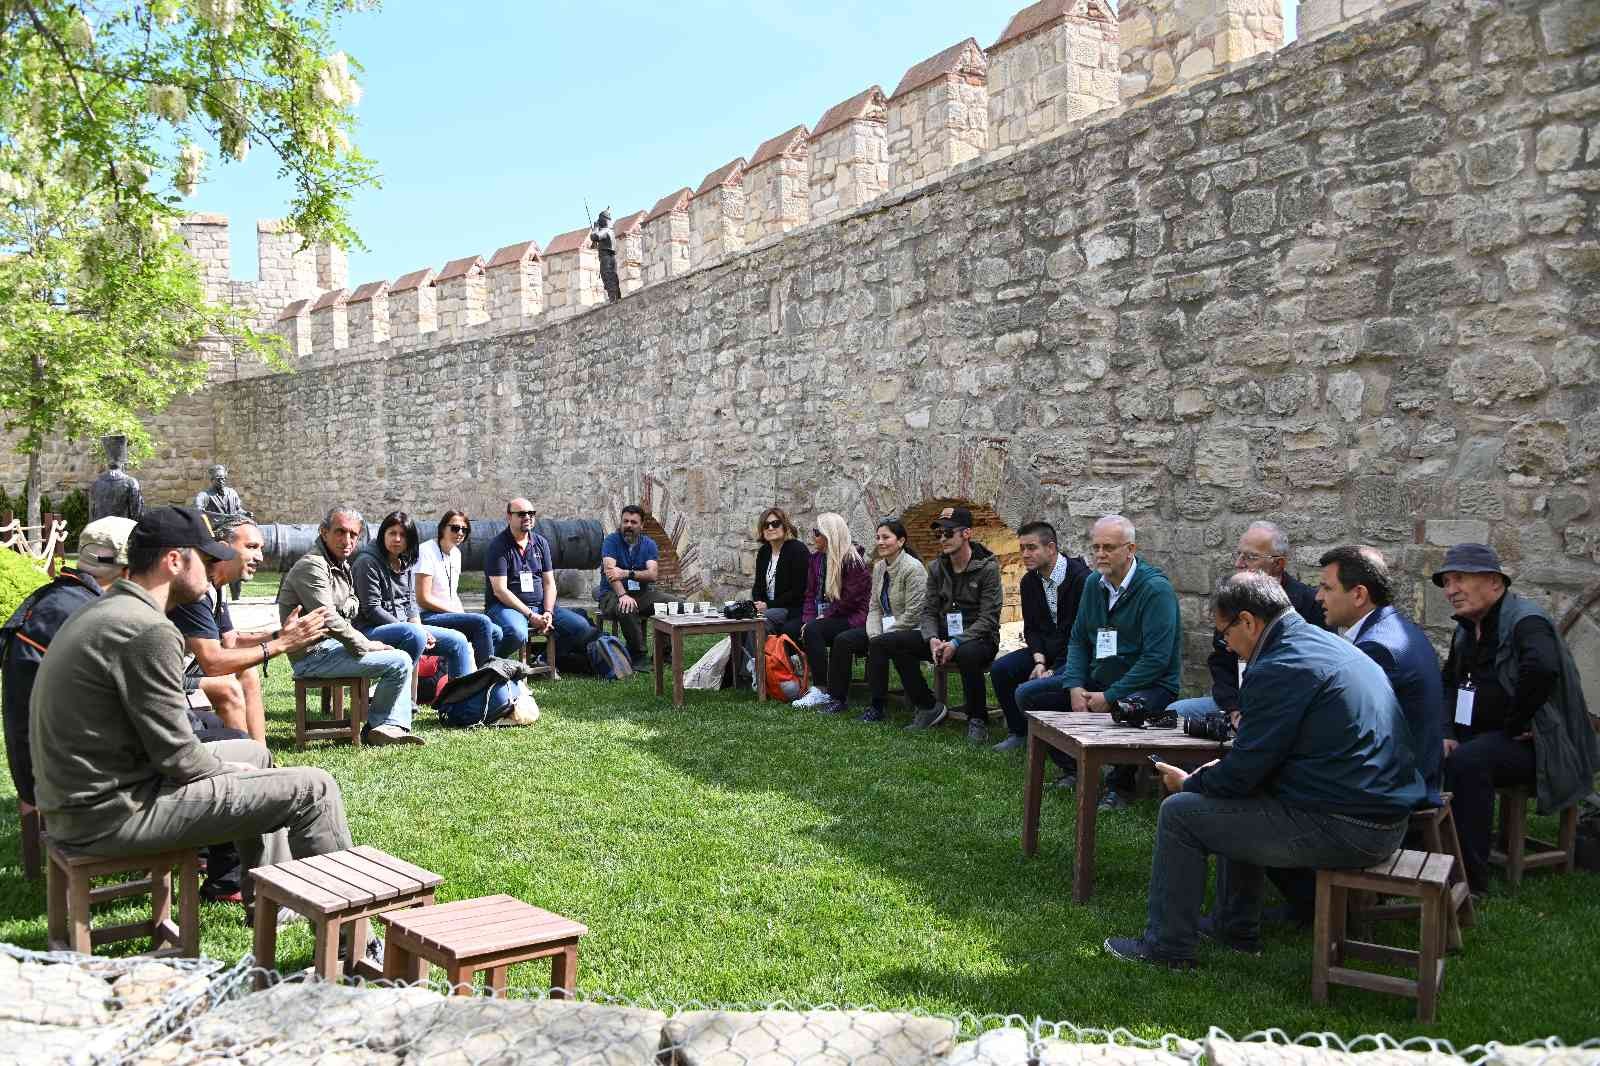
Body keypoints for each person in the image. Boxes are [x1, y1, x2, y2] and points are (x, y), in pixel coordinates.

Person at [29, 506, 354, 917]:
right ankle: (348, 945)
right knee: (313, 788)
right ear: (174, 560)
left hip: (83, 800)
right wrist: (234, 777)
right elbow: (178, 757)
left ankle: (270, 901)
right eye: (205, 558)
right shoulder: (149, 630)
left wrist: (242, 773)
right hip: (110, 814)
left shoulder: (108, 609)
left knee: (255, 755)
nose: (215, 566)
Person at [1103, 571, 1425, 969]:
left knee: (1181, 813)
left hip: (1353, 825)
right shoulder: (1319, 643)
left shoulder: (1277, 666)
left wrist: (1191, 781)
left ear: (1248, 622)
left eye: (1224, 633)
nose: (1226, 644)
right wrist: (1225, 775)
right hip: (1383, 814)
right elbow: (1261, 762)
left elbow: (1243, 773)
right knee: (1233, 796)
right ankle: (1232, 925)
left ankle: (1167, 947)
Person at [1435, 543, 1598, 894]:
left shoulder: (1528, 621)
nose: (1450, 591)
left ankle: (1469, 880)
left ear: (1495, 583)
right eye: (1447, 582)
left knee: (1469, 761)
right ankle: (1425, 854)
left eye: (1459, 579)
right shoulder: (1466, 629)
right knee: (1434, 748)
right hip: (1481, 736)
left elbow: (1542, 669)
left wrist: (1516, 723)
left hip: (1538, 745)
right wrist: (1446, 730)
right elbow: (1448, 682)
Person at [1018, 514, 1180, 808]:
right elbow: (1079, 639)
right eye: (1096, 548)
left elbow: (1157, 660)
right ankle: (1076, 768)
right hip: (1100, 677)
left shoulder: (1155, 590)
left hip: (1149, 684)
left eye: (1109, 547)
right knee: (1029, 695)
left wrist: (1110, 695)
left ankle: (1122, 785)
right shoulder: (1094, 583)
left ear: (1130, 549)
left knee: (1126, 707)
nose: (1100, 554)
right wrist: (1074, 685)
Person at [3, 518, 134, 830]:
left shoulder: (59, 597)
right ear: (127, 567)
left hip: (38, 765)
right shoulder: (85, 612)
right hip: (67, 779)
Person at [169, 516, 331, 742]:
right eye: (251, 547)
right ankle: (249, 763)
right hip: (169, 678)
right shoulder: (197, 590)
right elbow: (213, 662)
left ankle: (261, 755)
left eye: (261, 549)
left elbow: (231, 641)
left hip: (187, 672)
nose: (260, 557)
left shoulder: (217, 587)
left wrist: (280, 634)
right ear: (224, 548)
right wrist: (281, 644)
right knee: (227, 688)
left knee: (248, 673)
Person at [279, 506, 423, 746]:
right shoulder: (313, 566)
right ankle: (382, 726)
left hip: (332, 647)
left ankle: (387, 725)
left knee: (399, 657)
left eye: (353, 535)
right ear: (323, 532)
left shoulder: (340, 563)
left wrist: (345, 609)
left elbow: (354, 600)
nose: (347, 540)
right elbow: (329, 617)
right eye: (340, 532)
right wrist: (366, 644)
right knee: (399, 661)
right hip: (313, 656)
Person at [1170, 521, 1326, 728]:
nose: (1239, 563)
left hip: (1286, 707)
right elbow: (1221, 663)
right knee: (1177, 713)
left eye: (1250, 557)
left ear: (1278, 564)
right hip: (1236, 702)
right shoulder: (1232, 598)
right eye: (1239, 554)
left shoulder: (1309, 603)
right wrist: (1233, 709)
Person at [874, 506, 1001, 743]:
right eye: (938, 534)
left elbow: (988, 619)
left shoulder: (988, 568)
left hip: (980, 637)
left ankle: (977, 718)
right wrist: (931, 637)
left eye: (948, 533)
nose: (942, 538)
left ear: (966, 534)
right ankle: (927, 705)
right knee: (888, 642)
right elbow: (928, 610)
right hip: (943, 631)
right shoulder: (936, 567)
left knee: (968, 654)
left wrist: (956, 642)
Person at [990, 521, 1090, 753]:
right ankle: (1019, 731)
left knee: (1045, 685)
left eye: (1032, 548)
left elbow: (1081, 634)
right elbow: (1032, 628)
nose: (1025, 554)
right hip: (1045, 651)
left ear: (1051, 548)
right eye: (1022, 548)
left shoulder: (1081, 580)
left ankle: (1056, 742)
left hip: (1075, 654)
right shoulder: (1029, 581)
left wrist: (1053, 670)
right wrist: (1039, 660)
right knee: (1001, 669)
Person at [811, 518, 925, 719]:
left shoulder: (913, 569)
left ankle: (877, 706)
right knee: (843, 640)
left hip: (909, 629)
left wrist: (883, 635)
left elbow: (914, 613)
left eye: (886, 537)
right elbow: (874, 606)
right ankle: (837, 699)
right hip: (880, 627)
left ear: (901, 541)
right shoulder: (880, 567)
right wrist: (874, 633)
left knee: (879, 645)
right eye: (878, 537)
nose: (880, 542)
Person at [483, 497, 598, 660]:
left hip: (540, 607)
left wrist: (548, 612)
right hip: (506, 608)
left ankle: (542, 659)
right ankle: (485, 663)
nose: (527, 517)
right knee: (517, 633)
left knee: (581, 627)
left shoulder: (540, 543)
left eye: (531, 513)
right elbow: (500, 591)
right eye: (522, 514)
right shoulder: (498, 546)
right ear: (509, 517)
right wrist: (531, 615)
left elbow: (549, 583)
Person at [787, 513, 870, 709]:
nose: (813, 537)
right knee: (801, 627)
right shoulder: (816, 560)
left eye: (817, 532)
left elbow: (851, 600)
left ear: (829, 535)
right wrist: (808, 618)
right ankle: (796, 681)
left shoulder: (852, 559)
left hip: (853, 618)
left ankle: (821, 689)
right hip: (828, 615)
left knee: (814, 630)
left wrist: (823, 617)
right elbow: (809, 594)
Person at [416, 508, 502, 667]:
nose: (460, 532)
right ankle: (487, 677)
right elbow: (423, 599)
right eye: (455, 528)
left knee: (496, 631)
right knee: (482, 622)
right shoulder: (426, 551)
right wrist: (454, 612)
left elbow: (452, 594)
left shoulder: (456, 554)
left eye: (464, 529)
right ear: (442, 528)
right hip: (426, 615)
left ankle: (475, 670)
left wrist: (461, 613)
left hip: (446, 614)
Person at [595, 505, 660, 671]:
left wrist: (626, 573)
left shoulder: (649, 544)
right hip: (611, 594)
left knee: (673, 605)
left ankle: (664, 652)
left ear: (642, 525)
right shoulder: (611, 541)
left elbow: (652, 575)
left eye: (633, 522)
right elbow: (610, 572)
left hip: (641, 593)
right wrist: (622, 595)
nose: (628, 525)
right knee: (627, 607)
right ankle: (638, 655)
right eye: (625, 521)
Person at [88, 434, 143, 521]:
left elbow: (91, 516)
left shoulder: (96, 483)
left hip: (98, 531)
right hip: (122, 532)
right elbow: (137, 515)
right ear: (123, 461)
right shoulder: (131, 483)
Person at [590, 208, 621, 302]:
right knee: (613, 278)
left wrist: (595, 228)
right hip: (611, 258)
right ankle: (616, 298)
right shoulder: (611, 232)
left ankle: (613, 299)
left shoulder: (605, 231)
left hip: (606, 258)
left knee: (607, 278)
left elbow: (594, 236)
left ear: (603, 220)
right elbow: (597, 242)